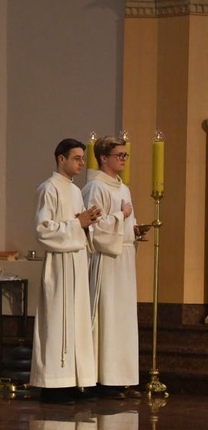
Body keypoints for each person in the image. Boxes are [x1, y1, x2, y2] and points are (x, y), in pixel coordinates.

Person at [31, 138, 101, 404]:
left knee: (76, 323)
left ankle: (73, 381)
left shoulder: (74, 191)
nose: (81, 163)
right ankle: (53, 385)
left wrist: (87, 224)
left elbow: (79, 226)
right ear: (61, 159)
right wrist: (77, 223)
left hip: (76, 261)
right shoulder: (48, 188)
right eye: (76, 158)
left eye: (83, 158)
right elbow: (43, 230)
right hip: (59, 266)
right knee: (58, 322)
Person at [82, 136, 140, 399]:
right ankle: (103, 378)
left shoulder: (122, 188)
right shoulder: (95, 187)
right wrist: (122, 217)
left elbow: (125, 220)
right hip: (106, 258)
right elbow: (94, 225)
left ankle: (120, 378)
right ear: (103, 158)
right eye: (119, 155)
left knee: (122, 319)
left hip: (124, 257)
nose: (123, 160)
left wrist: (134, 228)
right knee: (107, 317)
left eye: (125, 155)